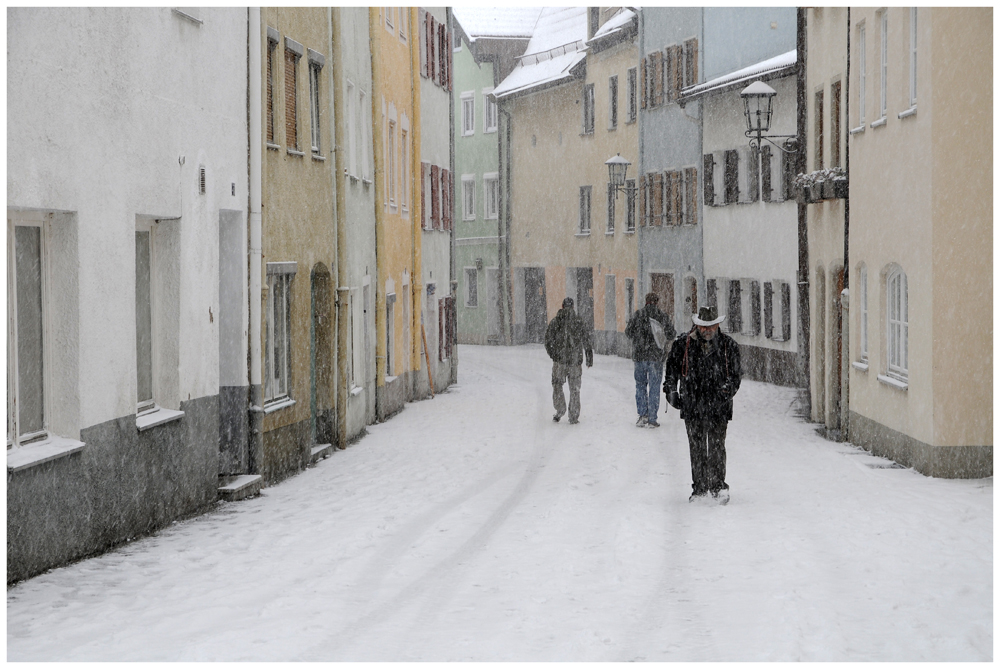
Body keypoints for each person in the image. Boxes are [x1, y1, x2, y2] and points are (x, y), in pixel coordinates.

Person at [663, 305, 742, 504]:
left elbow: (736, 375)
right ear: (697, 325)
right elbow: (671, 368)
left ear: (718, 325)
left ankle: (718, 487)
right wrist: (670, 390)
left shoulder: (728, 346)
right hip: (692, 404)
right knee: (697, 448)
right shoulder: (683, 344)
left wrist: (726, 391)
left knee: (716, 447)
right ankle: (699, 489)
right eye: (703, 326)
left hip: (719, 406)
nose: (707, 330)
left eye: (712, 326)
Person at [625, 292, 675, 428]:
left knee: (640, 385)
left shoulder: (638, 315)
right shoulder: (662, 316)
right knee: (654, 387)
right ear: (657, 302)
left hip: (639, 357)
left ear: (646, 301)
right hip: (656, 357)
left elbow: (628, 332)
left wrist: (639, 337)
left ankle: (642, 415)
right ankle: (652, 418)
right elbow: (672, 333)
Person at [544, 297, 593, 424]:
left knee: (557, 384)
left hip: (559, 361)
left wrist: (554, 355)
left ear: (562, 306)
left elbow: (548, 340)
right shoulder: (578, 321)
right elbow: (586, 340)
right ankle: (574, 416)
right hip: (575, 361)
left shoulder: (556, 321)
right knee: (575, 389)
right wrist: (589, 357)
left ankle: (560, 409)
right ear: (573, 307)